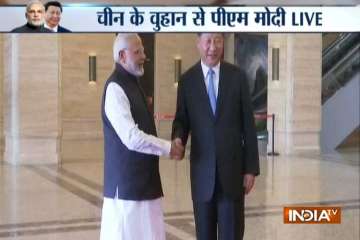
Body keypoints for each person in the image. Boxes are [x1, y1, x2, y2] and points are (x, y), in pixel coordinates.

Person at [172, 33, 260, 240]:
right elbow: (181, 120)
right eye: (208, 41)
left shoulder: (237, 77)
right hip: (202, 176)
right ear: (198, 44)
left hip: (232, 176)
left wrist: (251, 169)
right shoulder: (187, 81)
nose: (213, 47)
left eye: (218, 41)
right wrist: (178, 138)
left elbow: (248, 125)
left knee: (232, 234)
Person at [100, 33, 183, 240]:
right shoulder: (115, 88)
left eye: (143, 50)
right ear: (122, 55)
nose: (144, 56)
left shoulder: (134, 83)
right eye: (137, 52)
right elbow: (131, 137)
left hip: (145, 185)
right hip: (127, 189)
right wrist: (168, 147)